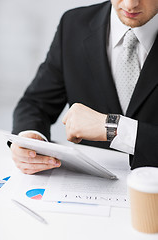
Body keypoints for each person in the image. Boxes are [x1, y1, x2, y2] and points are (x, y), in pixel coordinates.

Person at [11, 0, 158, 174]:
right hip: (87, 185)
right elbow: (35, 103)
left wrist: (115, 128)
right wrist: (29, 139)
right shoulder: (73, 24)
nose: (129, 4)